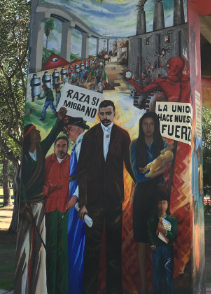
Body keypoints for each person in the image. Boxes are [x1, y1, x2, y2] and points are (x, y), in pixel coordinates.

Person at [75, 100, 135, 294]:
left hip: (115, 201)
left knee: (114, 250)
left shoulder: (123, 136)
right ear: (99, 114)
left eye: (109, 113)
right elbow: (82, 170)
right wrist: (83, 203)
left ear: (114, 114)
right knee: (92, 250)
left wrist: (142, 182)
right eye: (102, 113)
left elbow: (129, 164)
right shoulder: (89, 136)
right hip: (93, 203)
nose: (106, 117)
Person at [15, 107, 67, 294]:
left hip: (39, 205)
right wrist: (23, 204)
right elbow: (19, 182)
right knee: (23, 249)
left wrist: (59, 120)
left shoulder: (39, 149)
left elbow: (53, 135)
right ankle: (21, 289)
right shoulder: (24, 157)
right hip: (26, 207)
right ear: (30, 137)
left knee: (39, 250)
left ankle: (38, 290)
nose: (38, 133)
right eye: (36, 132)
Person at [131, 112, 170, 294]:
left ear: (156, 126)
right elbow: (138, 175)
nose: (148, 127)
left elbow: (165, 168)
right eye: (145, 124)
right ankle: (144, 284)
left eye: (151, 124)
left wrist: (151, 173)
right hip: (141, 196)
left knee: (160, 237)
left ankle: (158, 282)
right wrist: (155, 172)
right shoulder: (134, 145)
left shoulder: (162, 145)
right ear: (141, 126)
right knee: (141, 239)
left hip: (158, 195)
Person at [65, 116, 90, 294]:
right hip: (74, 190)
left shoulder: (82, 145)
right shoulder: (77, 145)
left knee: (75, 238)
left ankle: (75, 286)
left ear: (79, 130)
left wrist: (76, 196)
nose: (68, 131)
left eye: (71, 128)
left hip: (78, 194)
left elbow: (85, 173)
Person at [44, 134, 71, 294]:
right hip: (50, 210)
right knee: (51, 249)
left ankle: (63, 289)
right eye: (58, 145)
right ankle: (49, 288)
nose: (61, 148)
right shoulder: (47, 161)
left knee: (64, 251)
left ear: (67, 147)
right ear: (54, 147)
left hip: (66, 211)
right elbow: (37, 183)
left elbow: (79, 183)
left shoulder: (73, 161)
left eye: (64, 145)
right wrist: (48, 190)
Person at [148, 189, 177, 294]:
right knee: (156, 273)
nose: (162, 206)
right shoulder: (152, 219)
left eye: (164, 203)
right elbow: (150, 232)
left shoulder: (172, 220)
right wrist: (152, 244)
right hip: (156, 249)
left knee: (168, 272)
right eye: (160, 203)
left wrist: (164, 230)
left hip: (167, 249)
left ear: (168, 204)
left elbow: (173, 236)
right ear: (156, 205)